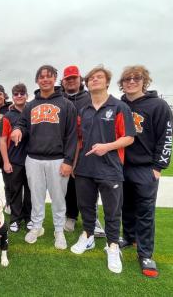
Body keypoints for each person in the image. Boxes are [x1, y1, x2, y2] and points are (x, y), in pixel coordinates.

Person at [70, 66, 136, 274]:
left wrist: (106, 147)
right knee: (86, 206)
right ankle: (88, 236)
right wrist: (74, 165)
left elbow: (129, 137)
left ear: (107, 82)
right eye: (91, 78)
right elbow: (79, 140)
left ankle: (113, 246)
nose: (94, 80)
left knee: (112, 211)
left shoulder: (119, 107)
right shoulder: (84, 109)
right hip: (85, 168)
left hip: (110, 168)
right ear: (87, 84)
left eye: (99, 77)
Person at [11, 65, 77, 249]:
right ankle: (37, 226)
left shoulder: (66, 104)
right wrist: (17, 130)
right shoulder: (31, 105)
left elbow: (72, 135)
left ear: (55, 79)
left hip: (57, 160)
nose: (45, 79)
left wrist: (69, 161)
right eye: (41, 77)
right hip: (33, 158)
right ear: (37, 80)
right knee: (36, 197)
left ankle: (58, 230)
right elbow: (22, 124)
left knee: (58, 198)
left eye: (49, 76)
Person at [119, 65, 173, 278]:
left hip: (145, 167)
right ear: (122, 83)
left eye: (136, 78)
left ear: (144, 81)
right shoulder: (118, 104)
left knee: (145, 211)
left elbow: (166, 137)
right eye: (127, 79)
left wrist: (159, 166)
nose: (131, 82)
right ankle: (129, 236)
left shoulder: (158, 105)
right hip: (121, 165)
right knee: (125, 206)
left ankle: (145, 253)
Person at [61, 65, 105, 237]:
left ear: (80, 80)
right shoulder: (59, 98)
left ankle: (92, 218)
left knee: (90, 186)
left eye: (74, 78)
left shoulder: (90, 97)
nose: (71, 81)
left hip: (88, 148)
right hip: (65, 149)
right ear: (63, 82)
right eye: (68, 78)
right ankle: (71, 215)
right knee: (69, 186)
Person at [0, 83, 32, 232]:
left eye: (22, 93)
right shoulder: (7, 116)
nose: (19, 96)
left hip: (32, 159)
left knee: (31, 191)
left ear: (26, 95)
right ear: (12, 96)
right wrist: (6, 161)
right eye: (16, 94)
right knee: (15, 191)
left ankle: (29, 217)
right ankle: (15, 219)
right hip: (15, 160)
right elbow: (2, 140)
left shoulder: (32, 112)